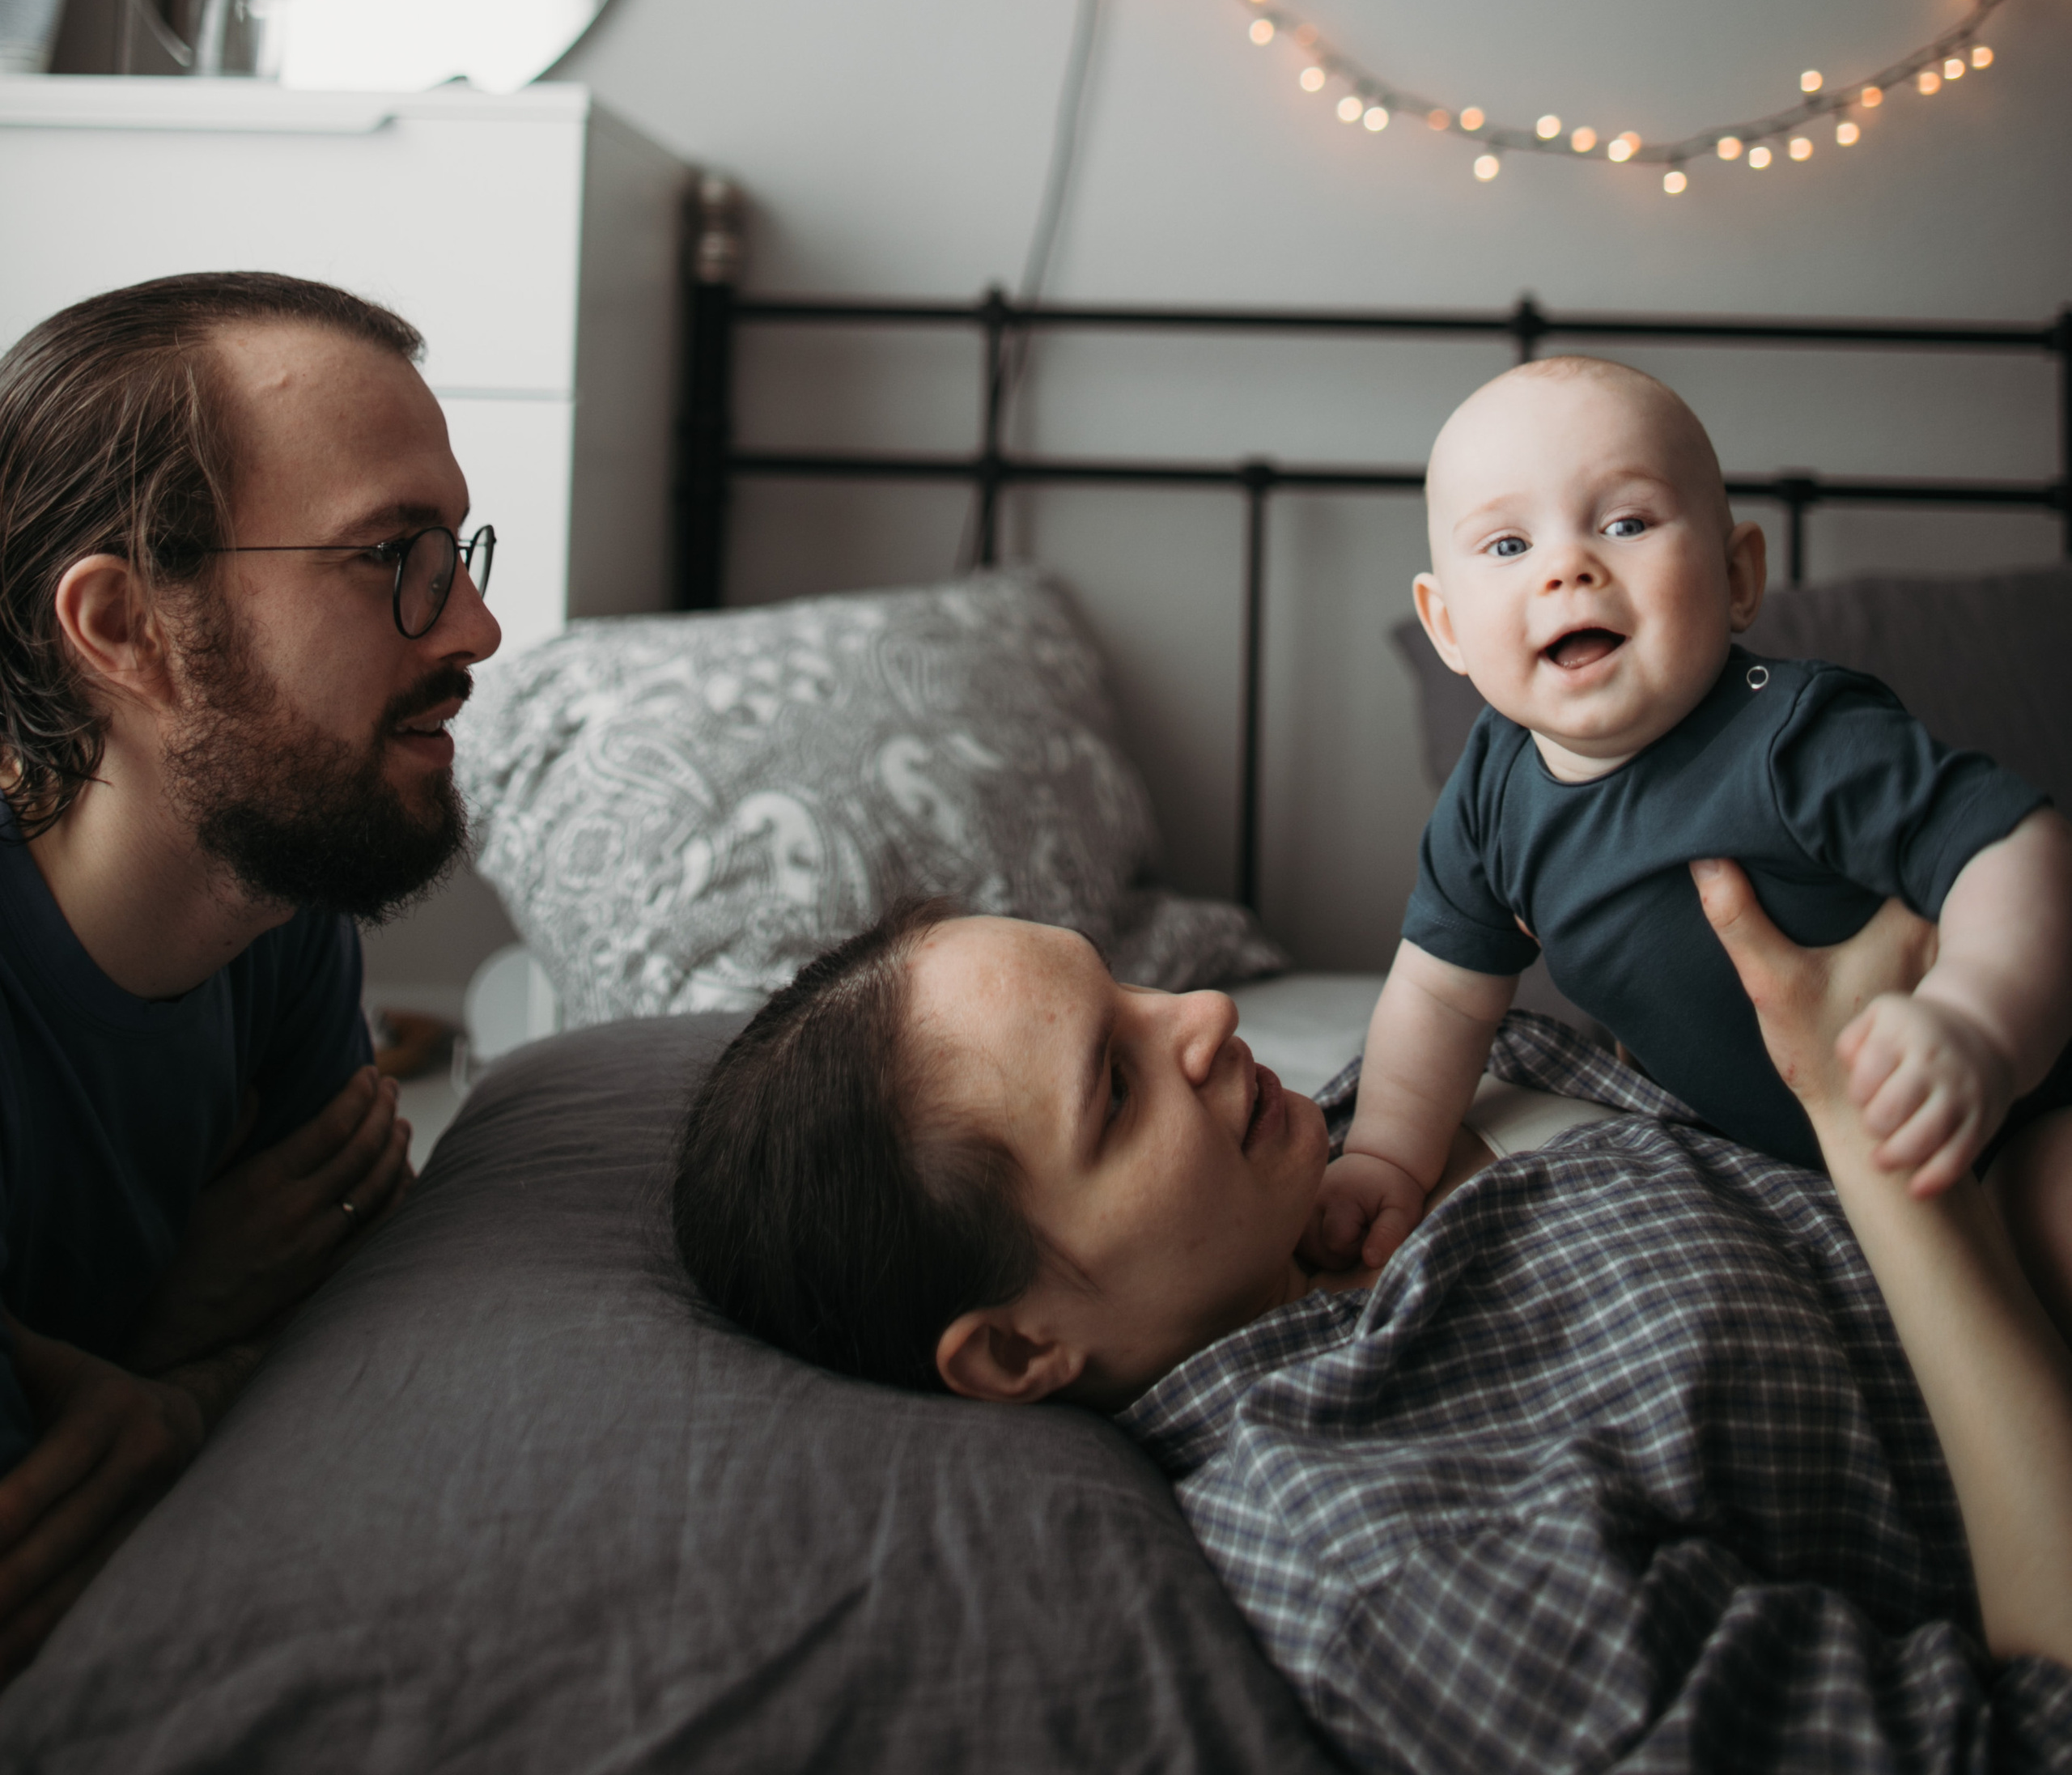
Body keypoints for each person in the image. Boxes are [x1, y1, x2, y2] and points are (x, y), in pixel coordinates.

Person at [674, 882, 2072, 1758]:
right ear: (1020, 1350)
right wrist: (1897, 1175)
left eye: (1128, 985)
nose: (1208, 1013)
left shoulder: (1372, 1115)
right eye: (1114, 1085)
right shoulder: (1390, 1558)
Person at [1308, 356, 2072, 1322]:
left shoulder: (1798, 738)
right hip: (1805, 1174)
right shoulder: (1489, 794)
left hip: (2020, 1111)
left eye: (1624, 523)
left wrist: (1980, 1023)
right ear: (1447, 627)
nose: (1566, 567)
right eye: (1505, 545)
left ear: (1737, 575)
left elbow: (2020, 847)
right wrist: (1383, 1154)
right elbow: (1439, 994)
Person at [0, 270, 501, 1679]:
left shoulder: (275, 910)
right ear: (120, 629)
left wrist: (170, 1393)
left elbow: (337, 1324)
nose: (471, 631)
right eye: (389, 554)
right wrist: (189, 1347)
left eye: (460, 553)